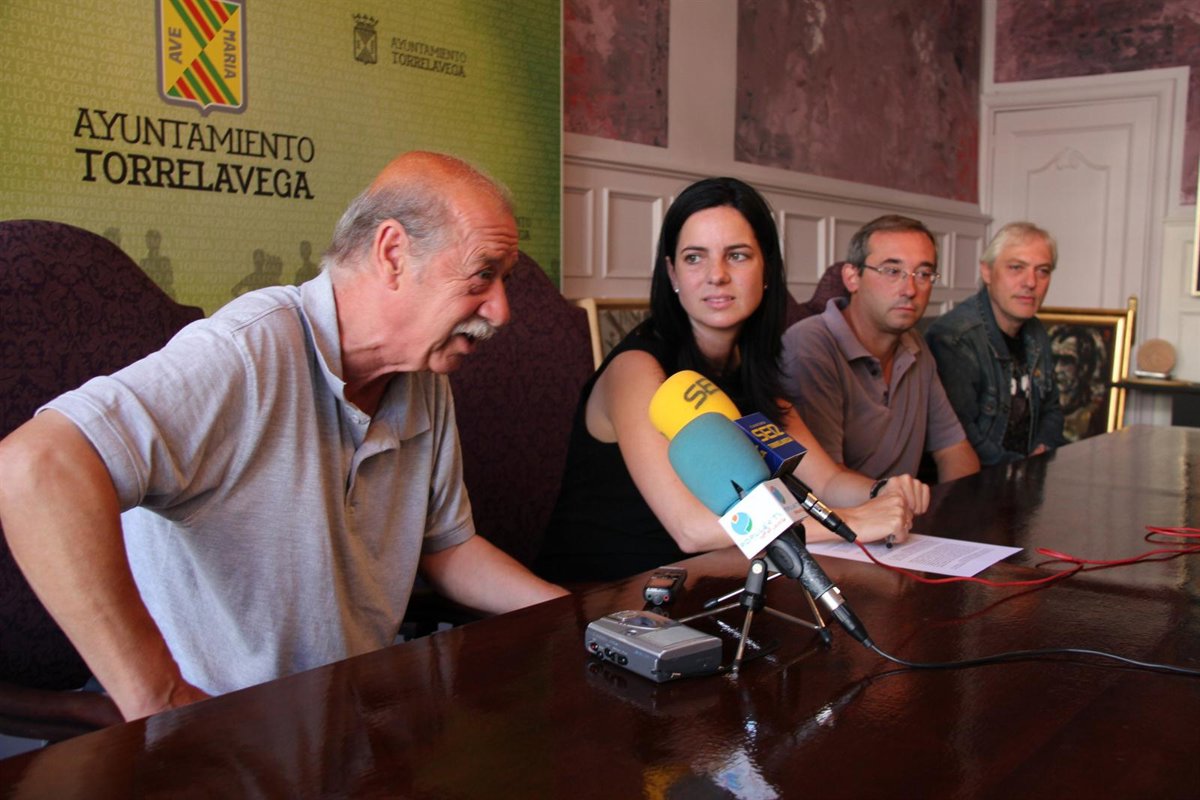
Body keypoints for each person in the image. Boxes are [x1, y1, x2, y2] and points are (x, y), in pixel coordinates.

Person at [0, 151, 566, 721]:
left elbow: (447, 548)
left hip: (343, 719)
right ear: (393, 253)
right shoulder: (247, 352)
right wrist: (161, 699)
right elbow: (34, 468)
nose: (501, 309)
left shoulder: (422, 378)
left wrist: (577, 616)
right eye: (482, 274)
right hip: (219, 734)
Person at [535, 177, 927, 583]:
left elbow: (826, 479)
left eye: (737, 256)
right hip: (607, 596)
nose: (717, 275)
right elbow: (693, 528)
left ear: (766, 269)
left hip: (713, 582)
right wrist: (850, 523)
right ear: (672, 273)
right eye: (694, 258)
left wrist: (882, 493)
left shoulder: (750, 368)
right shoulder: (636, 368)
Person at [780, 215, 979, 482]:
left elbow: (953, 449)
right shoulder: (809, 346)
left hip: (907, 506)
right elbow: (824, 482)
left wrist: (962, 505)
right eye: (892, 271)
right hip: (847, 508)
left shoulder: (916, 346)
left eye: (923, 274)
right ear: (852, 277)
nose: (910, 289)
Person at [925, 221, 1067, 466]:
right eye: (1016, 267)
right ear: (987, 272)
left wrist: (1043, 449)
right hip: (980, 480)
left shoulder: (1036, 332)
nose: (1031, 282)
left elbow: (1051, 409)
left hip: (1028, 473)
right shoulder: (955, 338)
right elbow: (960, 438)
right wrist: (1023, 469)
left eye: (1042, 271)